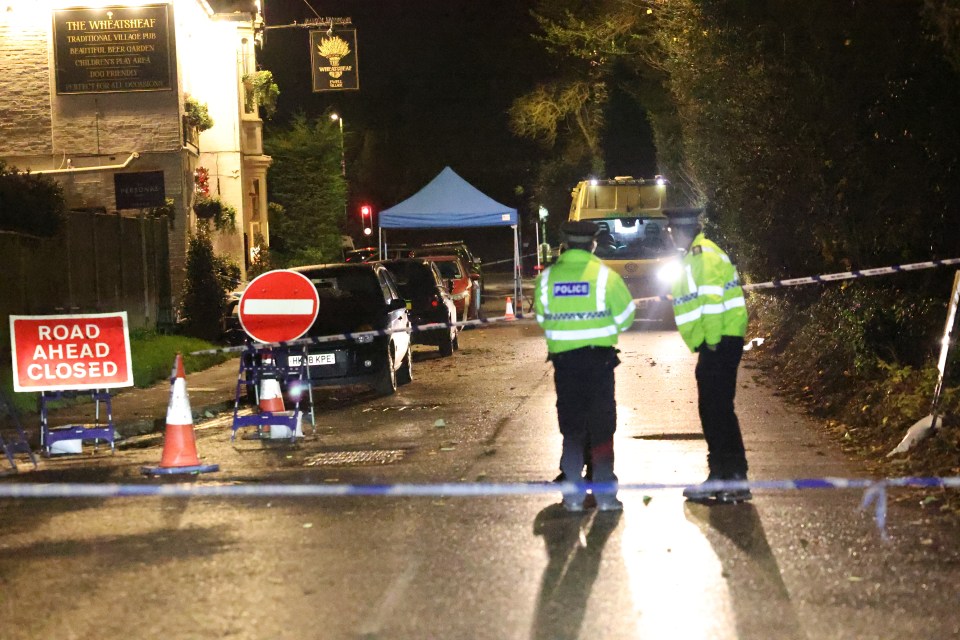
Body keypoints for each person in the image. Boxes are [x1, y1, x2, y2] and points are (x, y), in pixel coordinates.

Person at [534, 220, 636, 512]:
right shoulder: (605, 277)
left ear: (564, 244)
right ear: (593, 243)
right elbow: (627, 316)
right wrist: (603, 328)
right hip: (599, 363)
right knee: (602, 427)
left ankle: (572, 497)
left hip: (565, 365)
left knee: (572, 428)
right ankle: (605, 496)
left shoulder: (547, 279)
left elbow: (543, 319)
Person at [669, 215, 752, 503]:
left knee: (717, 410)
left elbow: (712, 301)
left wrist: (712, 344)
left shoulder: (703, 257)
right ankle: (723, 476)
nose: (669, 235)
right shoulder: (698, 256)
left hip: (719, 342)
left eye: (671, 230)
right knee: (715, 410)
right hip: (719, 341)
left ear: (682, 231)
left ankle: (732, 478)